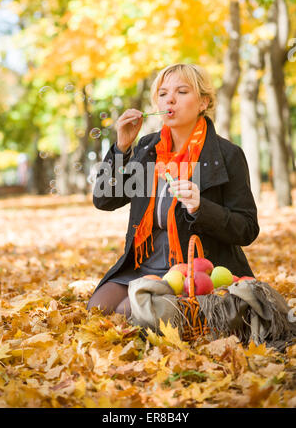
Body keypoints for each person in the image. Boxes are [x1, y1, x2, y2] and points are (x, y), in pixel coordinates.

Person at [87, 63, 260, 318]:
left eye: (181, 92)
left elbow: (247, 228)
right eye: (163, 93)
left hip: (191, 272)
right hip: (142, 264)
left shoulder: (225, 155)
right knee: (97, 309)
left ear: (203, 102)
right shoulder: (149, 149)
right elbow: (104, 199)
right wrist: (121, 148)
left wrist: (201, 208)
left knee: (126, 313)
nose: (170, 99)